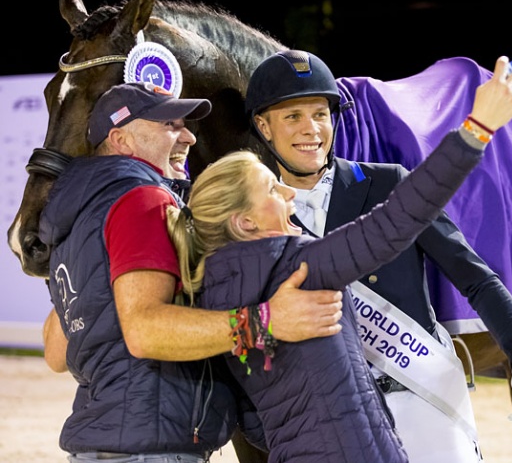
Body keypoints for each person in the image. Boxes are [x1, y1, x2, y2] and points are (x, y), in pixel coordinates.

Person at [165, 55, 512, 463]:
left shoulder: (386, 182)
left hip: (422, 396)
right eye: (293, 117)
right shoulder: (269, 233)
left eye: (321, 113)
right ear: (263, 127)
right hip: (347, 423)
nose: (311, 129)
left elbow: (474, 276)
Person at [39, 81, 344, 463]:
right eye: (169, 126)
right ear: (121, 139)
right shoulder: (146, 199)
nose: (188, 137)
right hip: (151, 452)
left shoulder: (77, 223)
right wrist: (265, 322)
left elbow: (55, 352)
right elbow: (145, 330)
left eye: (185, 124)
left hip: (100, 446)